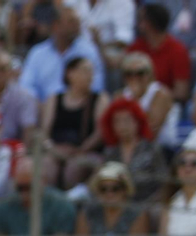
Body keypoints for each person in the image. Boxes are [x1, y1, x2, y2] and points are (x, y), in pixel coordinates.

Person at [61, 162, 148, 236]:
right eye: (103, 189)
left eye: (115, 188)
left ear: (125, 190)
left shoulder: (137, 213)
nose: (109, 194)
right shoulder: (87, 212)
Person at [39, 55, 106, 189]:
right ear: (70, 73)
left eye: (91, 71)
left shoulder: (99, 99)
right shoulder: (54, 99)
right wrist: (52, 149)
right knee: (46, 165)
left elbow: (100, 132)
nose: (90, 75)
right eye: (85, 70)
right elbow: (44, 131)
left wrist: (81, 150)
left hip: (85, 151)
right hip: (56, 150)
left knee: (74, 168)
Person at [20, 5, 106, 102]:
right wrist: (39, 104)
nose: (77, 26)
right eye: (71, 22)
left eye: (78, 22)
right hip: (42, 109)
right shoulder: (37, 53)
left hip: (80, 107)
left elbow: (97, 85)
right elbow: (26, 86)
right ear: (56, 25)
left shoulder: (89, 51)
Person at [99, 97, 168, 203]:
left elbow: (164, 183)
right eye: (117, 121)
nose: (122, 126)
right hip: (116, 205)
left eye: (127, 120)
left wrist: (148, 205)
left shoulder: (152, 149)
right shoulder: (110, 152)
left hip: (147, 203)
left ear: (138, 121)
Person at [127, 3, 192, 106]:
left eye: (141, 20)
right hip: (135, 102)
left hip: (166, 105)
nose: (138, 24)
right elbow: (127, 80)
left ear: (150, 24)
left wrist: (156, 98)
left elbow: (181, 92)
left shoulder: (177, 50)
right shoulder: (135, 48)